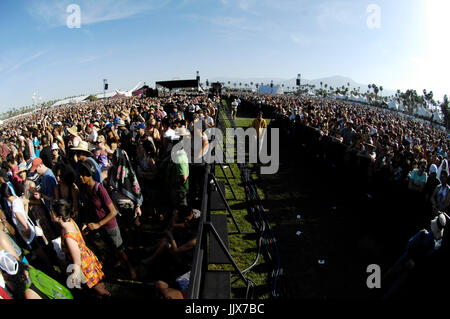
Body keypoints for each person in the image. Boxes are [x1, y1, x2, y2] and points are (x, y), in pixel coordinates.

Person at [78, 160, 136, 279]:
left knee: (119, 248)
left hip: (109, 225)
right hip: (96, 224)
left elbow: (113, 212)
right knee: (108, 246)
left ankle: (131, 267)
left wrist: (98, 224)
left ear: (90, 175)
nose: (80, 177)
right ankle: (116, 262)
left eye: (83, 174)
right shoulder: (84, 189)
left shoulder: (100, 189)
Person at [49, 199, 110, 298]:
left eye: (52, 212)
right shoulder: (70, 221)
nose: (50, 213)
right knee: (95, 288)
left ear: (59, 217)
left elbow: (77, 261)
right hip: (86, 258)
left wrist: (74, 276)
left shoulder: (69, 237)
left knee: (98, 289)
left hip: (84, 266)